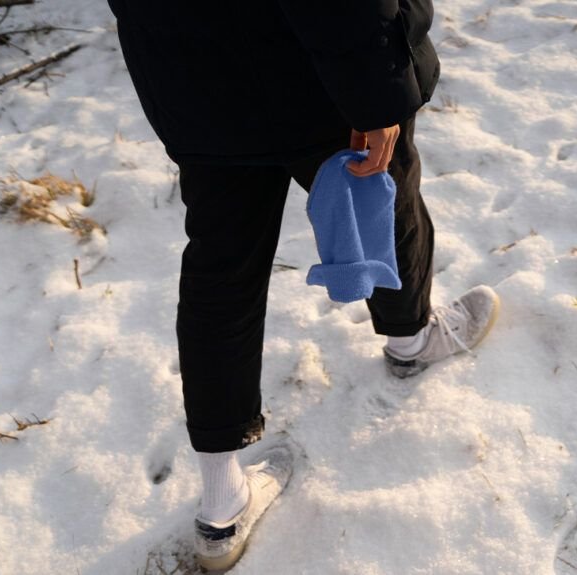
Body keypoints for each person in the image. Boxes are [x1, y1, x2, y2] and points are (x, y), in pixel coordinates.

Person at [106, 1, 500, 570]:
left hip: (191, 73)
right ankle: (411, 341)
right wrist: (374, 94)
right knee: (378, 197)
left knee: (222, 265)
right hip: (318, 75)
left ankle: (221, 504)